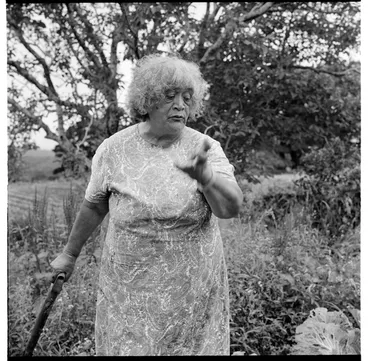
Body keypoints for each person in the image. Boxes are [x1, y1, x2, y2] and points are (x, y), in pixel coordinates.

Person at [50, 53, 243, 356]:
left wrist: (207, 179)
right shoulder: (114, 150)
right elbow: (94, 206)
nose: (181, 105)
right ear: (148, 100)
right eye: (170, 96)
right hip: (128, 291)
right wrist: (69, 254)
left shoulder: (204, 148)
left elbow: (229, 209)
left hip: (192, 293)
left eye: (187, 97)